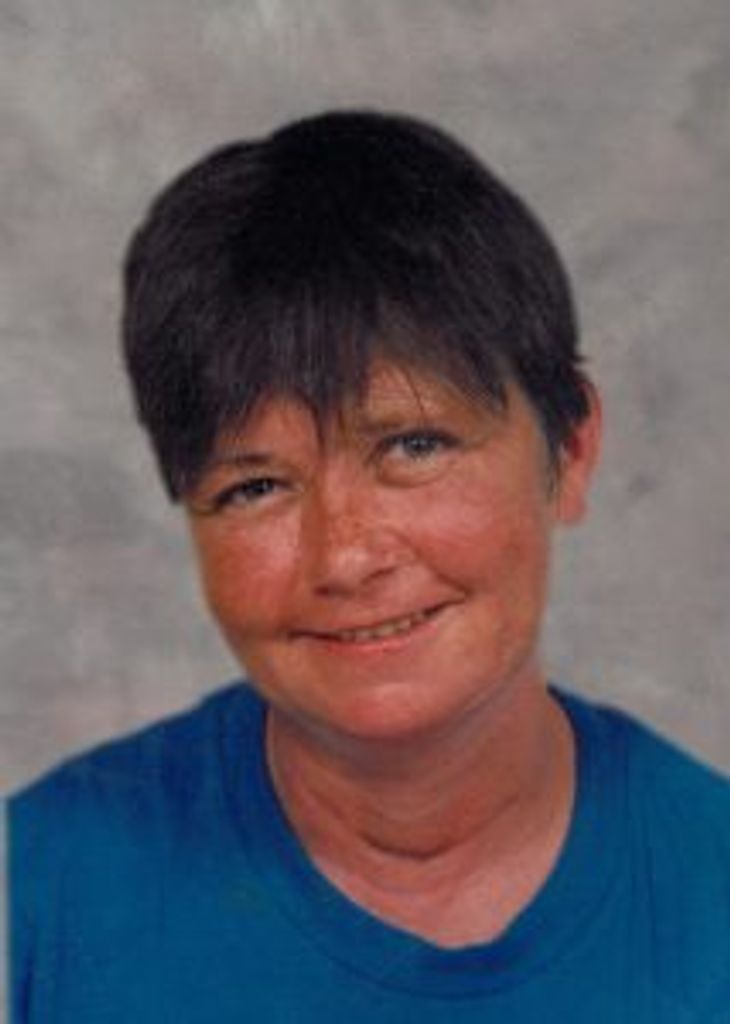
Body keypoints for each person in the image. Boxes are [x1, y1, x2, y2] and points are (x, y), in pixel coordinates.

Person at [8, 110, 730, 1022]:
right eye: (256, 487)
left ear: (571, 448)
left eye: (413, 445)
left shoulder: (711, 897)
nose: (345, 556)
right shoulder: (39, 893)